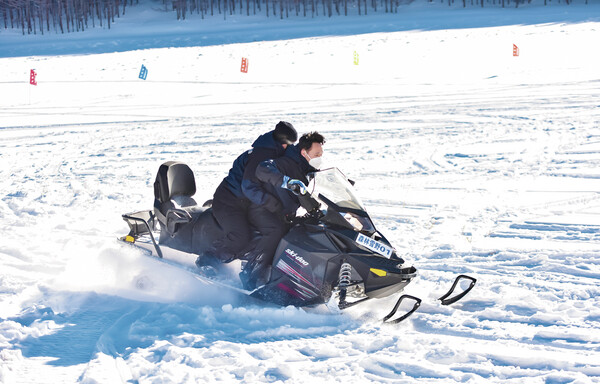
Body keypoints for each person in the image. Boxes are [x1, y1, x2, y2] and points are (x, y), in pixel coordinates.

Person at [199, 122, 298, 268]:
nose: (287, 148)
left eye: (290, 145)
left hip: (246, 203)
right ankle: (207, 261)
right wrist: (272, 203)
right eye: (285, 145)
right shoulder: (261, 155)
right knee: (240, 236)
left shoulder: (275, 151)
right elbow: (248, 186)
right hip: (229, 201)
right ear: (279, 142)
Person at [240, 131, 326, 289]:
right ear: (303, 152)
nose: (319, 157)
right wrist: (286, 181)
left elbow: (307, 193)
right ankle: (250, 274)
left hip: (283, 213)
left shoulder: (307, 170)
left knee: (304, 233)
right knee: (276, 230)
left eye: (321, 153)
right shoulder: (286, 163)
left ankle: (299, 281)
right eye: (316, 154)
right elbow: (263, 168)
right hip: (263, 208)